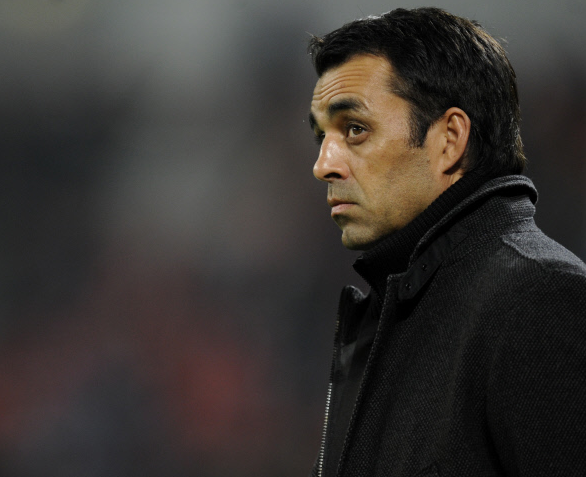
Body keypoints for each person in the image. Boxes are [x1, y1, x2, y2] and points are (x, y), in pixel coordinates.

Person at [306, 7, 586, 477]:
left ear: (450, 139)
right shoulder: (403, 310)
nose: (323, 165)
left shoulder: (538, 299)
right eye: (322, 136)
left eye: (355, 129)